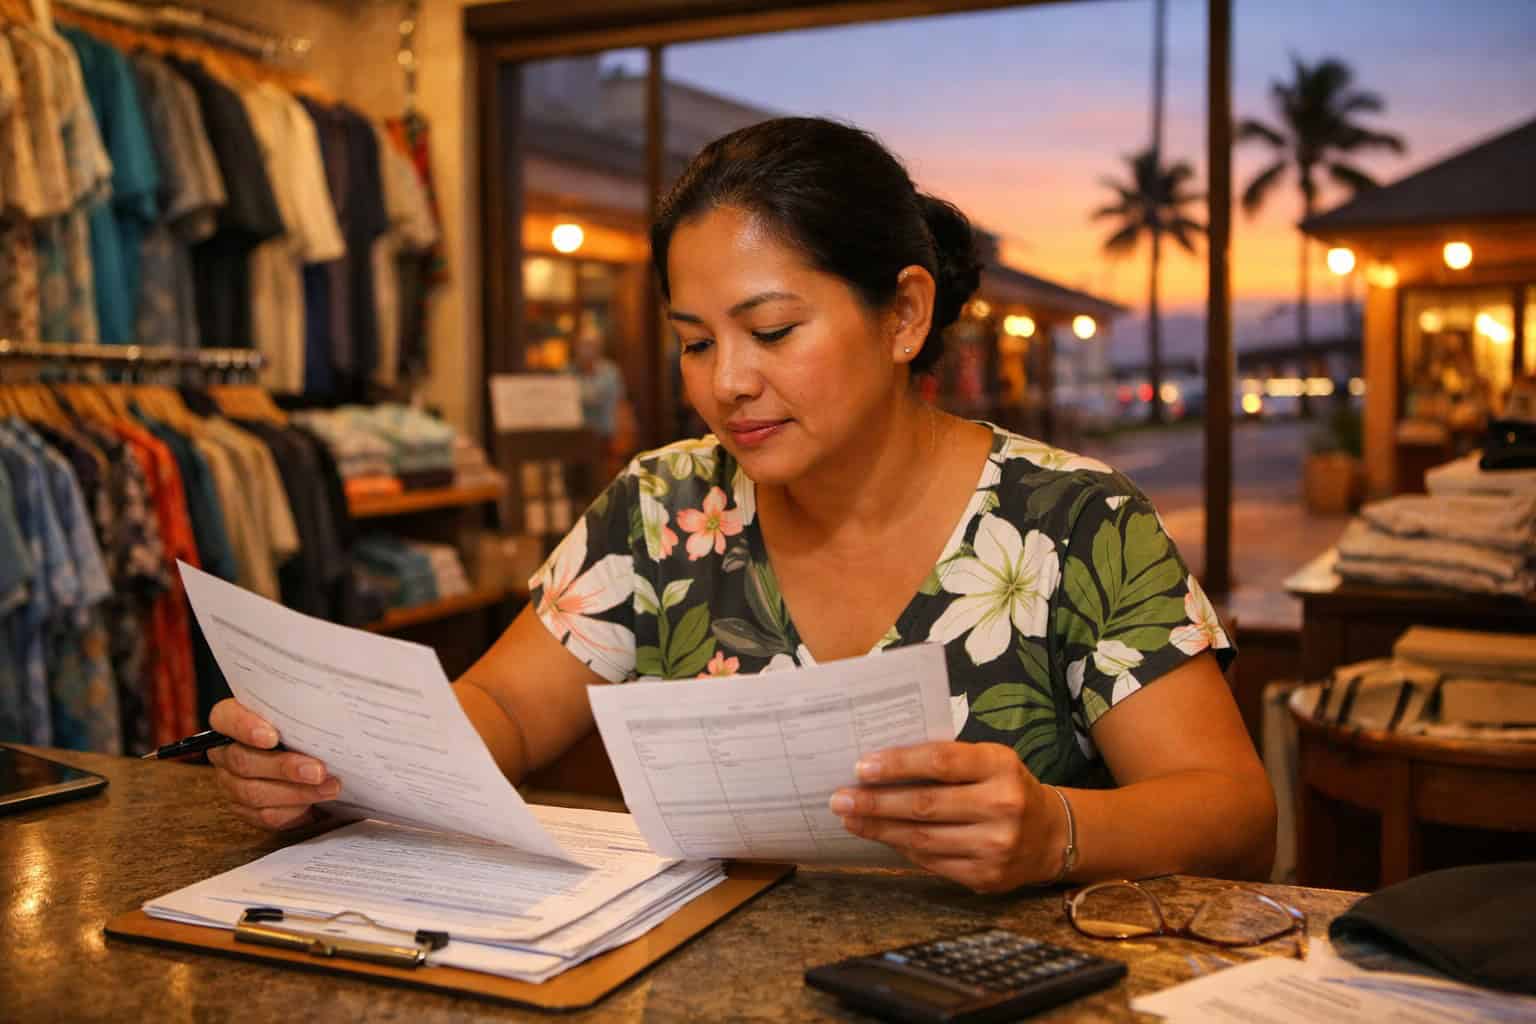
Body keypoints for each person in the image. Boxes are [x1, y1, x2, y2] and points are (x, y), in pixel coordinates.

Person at [208, 117, 1276, 893]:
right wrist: (330, 759)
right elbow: (507, 711)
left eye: (770, 332)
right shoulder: (665, 505)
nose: (727, 382)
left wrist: (1058, 833)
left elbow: (1234, 812)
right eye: (694, 341)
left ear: (905, 313)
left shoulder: (1072, 520)